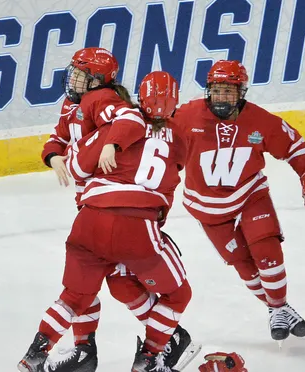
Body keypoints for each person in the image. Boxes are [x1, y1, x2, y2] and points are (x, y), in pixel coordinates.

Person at [19, 50, 194, 371]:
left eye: (80, 75)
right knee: (159, 291)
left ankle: (40, 354)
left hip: (90, 213)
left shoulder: (108, 110)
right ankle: (153, 351)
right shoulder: (177, 136)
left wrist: (83, 153)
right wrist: (54, 153)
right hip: (136, 222)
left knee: (81, 292)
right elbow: (168, 178)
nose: (73, 80)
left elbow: (81, 158)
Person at [174, 60, 305, 343]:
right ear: (209, 90)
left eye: (228, 91)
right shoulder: (186, 116)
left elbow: (292, 144)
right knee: (243, 264)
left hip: (250, 196)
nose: (221, 97)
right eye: (217, 90)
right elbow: (160, 148)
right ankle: (278, 308)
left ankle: (278, 307)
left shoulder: (260, 121)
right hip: (207, 208)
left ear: (241, 93)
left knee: (267, 250)